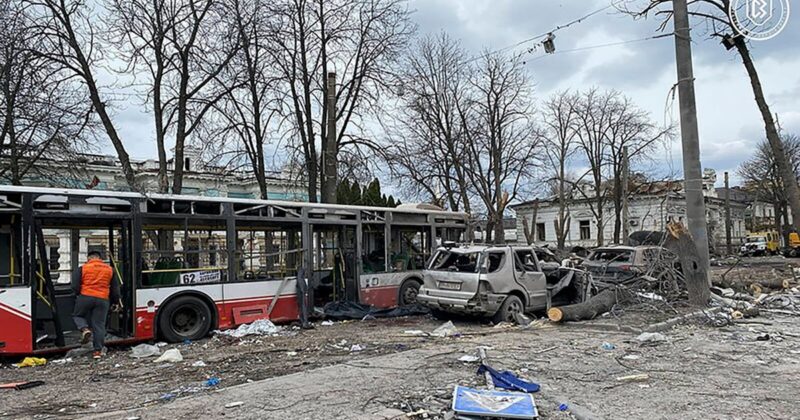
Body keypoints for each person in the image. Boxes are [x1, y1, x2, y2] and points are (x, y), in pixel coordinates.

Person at [71, 251, 120, 359]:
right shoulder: (109, 269)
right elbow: (115, 289)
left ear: (89, 258)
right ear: (100, 258)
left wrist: (79, 294)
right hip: (103, 299)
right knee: (99, 325)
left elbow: (74, 285)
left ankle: (84, 329)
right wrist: (116, 302)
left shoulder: (82, 268)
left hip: (85, 296)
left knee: (77, 315)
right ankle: (97, 352)